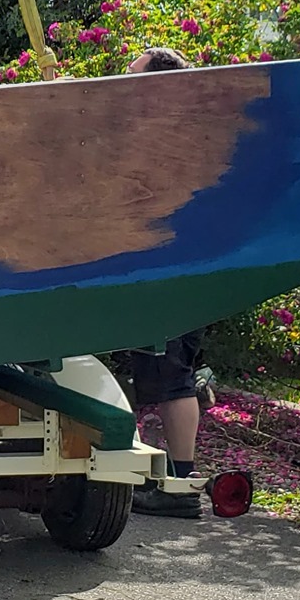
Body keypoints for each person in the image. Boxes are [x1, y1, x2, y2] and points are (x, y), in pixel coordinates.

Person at [124, 45, 211, 518]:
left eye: (133, 75)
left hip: (171, 274)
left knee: (173, 375)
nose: (125, 82)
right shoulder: (184, 131)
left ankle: (179, 488)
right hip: (181, 272)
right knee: (171, 372)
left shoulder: (170, 137)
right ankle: (175, 479)